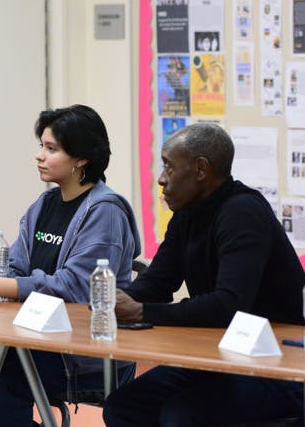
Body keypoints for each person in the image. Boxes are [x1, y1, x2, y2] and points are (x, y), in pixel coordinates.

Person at [0, 104, 140, 426]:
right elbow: (16, 265)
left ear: (81, 159)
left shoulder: (105, 211)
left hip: (82, 354)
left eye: (52, 149)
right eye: (41, 146)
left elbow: (77, 287)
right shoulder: (45, 203)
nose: (40, 156)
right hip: (35, 340)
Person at [103, 123, 305, 426]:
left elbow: (227, 306)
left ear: (200, 169)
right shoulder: (187, 213)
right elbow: (159, 281)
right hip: (220, 353)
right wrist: (112, 300)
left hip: (276, 363)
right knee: (123, 406)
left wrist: (141, 311)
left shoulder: (242, 213)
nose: (161, 178)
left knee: (181, 416)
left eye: (169, 167)